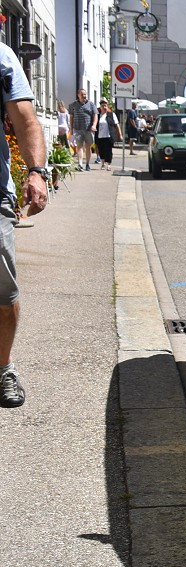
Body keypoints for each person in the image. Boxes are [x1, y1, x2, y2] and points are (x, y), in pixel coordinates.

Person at [0, 41, 49, 407]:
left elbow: (25, 119)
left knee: (4, 293)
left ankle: (3, 368)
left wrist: (36, 172)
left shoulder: (1, 56)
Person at [70, 88, 96, 171]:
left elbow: (95, 115)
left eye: (85, 94)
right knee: (79, 146)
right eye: (82, 94)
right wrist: (71, 129)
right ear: (78, 95)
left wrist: (94, 125)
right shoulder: (73, 105)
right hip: (78, 128)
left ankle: (87, 164)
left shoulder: (91, 104)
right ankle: (80, 163)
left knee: (88, 147)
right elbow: (71, 117)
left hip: (88, 128)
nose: (84, 96)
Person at [91, 100, 119, 171]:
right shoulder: (97, 116)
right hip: (100, 136)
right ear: (100, 107)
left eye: (105, 106)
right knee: (101, 151)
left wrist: (120, 134)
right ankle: (103, 164)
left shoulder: (111, 114)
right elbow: (94, 124)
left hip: (109, 136)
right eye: (103, 106)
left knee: (108, 151)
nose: (104, 107)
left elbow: (116, 124)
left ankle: (109, 164)